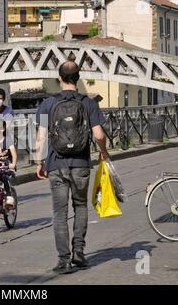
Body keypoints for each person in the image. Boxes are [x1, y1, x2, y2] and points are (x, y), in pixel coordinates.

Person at [35, 60, 110, 274]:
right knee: (80, 206)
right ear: (78, 78)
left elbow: (41, 136)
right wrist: (103, 152)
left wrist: (39, 161)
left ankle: (64, 260)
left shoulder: (47, 104)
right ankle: (79, 253)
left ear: (59, 78)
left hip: (56, 163)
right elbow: (99, 135)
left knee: (59, 213)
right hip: (81, 164)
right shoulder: (89, 103)